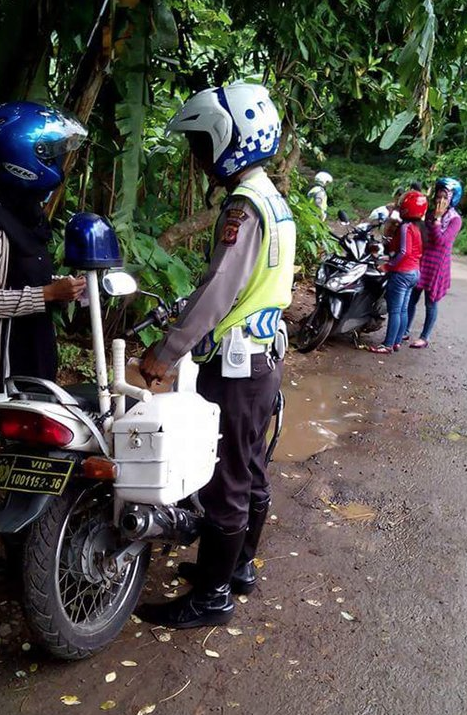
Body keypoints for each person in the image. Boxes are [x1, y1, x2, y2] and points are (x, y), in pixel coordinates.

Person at [136, 83, 296, 629]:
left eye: (203, 145)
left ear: (233, 142)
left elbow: (217, 293)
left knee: (225, 477)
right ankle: (237, 568)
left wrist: (166, 352)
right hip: (261, 360)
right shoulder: (271, 198)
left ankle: (212, 597)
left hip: (235, 365)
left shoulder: (244, 208)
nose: (199, 159)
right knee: (248, 467)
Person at [0, 101, 88, 559]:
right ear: (22, 158)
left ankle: (31, 535)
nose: (54, 162)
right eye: (47, 154)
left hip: (34, 347)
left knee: (37, 437)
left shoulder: (27, 212)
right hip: (2, 353)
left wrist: (72, 292)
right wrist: (48, 295)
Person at [404, 177, 463, 349]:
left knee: (431, 302)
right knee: (411, 298)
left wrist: (437, 220)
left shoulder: (454, 219)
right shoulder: (429, 214)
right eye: (439, 196)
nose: (440, 200)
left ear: (452, 198)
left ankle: (425, 336)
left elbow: (441, 240)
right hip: (422, 260)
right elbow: (423, 235)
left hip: (437, 265)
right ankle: (405, 330)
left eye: (445, 197)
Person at [368, 191, 427, 354]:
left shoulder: (406, 227)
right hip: (414, 273)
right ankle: (397, 341)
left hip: (402, 273)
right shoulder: (419, 227)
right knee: (402, 310)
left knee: (395, 310)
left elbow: (403, 252)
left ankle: (387, 344)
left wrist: (388, 265)